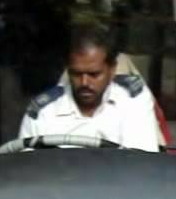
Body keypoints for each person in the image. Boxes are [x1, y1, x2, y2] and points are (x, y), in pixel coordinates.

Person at [18, 25, 163, 152]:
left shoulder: (133, 101)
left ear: (112, 70)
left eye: (94, 74)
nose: (84, 83)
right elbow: (29, 169)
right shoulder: (43, 114)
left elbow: (141, 165)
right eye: (76, 74)